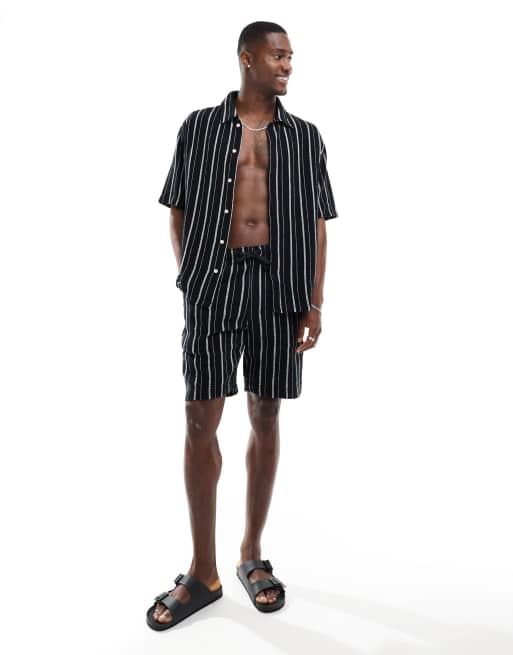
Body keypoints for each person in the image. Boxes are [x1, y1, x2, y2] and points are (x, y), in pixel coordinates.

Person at [146, 20, 338, 631]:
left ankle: (251, 553)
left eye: (291, 57)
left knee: (267, 414)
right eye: (278, 55)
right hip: (213, 286)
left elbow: (317, 223)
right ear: (247, 58)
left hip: (279, 291)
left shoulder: (305, 137)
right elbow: (177, 208)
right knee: (199, 419)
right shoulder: (199, 127)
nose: (288, 65)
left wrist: (314, 302)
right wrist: (191, 279)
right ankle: (202, 571)